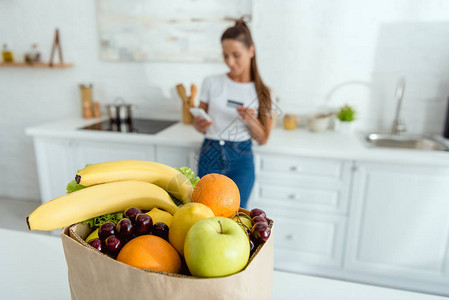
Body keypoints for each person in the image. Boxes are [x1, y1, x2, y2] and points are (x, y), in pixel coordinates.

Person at [193, 18, 273, 209]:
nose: (230, 62)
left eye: (236, 55)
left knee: (237, 215)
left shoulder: (263, 92)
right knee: (204, 212)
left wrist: (250, 121)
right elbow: (198, 121)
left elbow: (263, 138)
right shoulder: (211, 82)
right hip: (210, 153)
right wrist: (199, 124)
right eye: (225, 55)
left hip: (241, 159)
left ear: (251, 51)